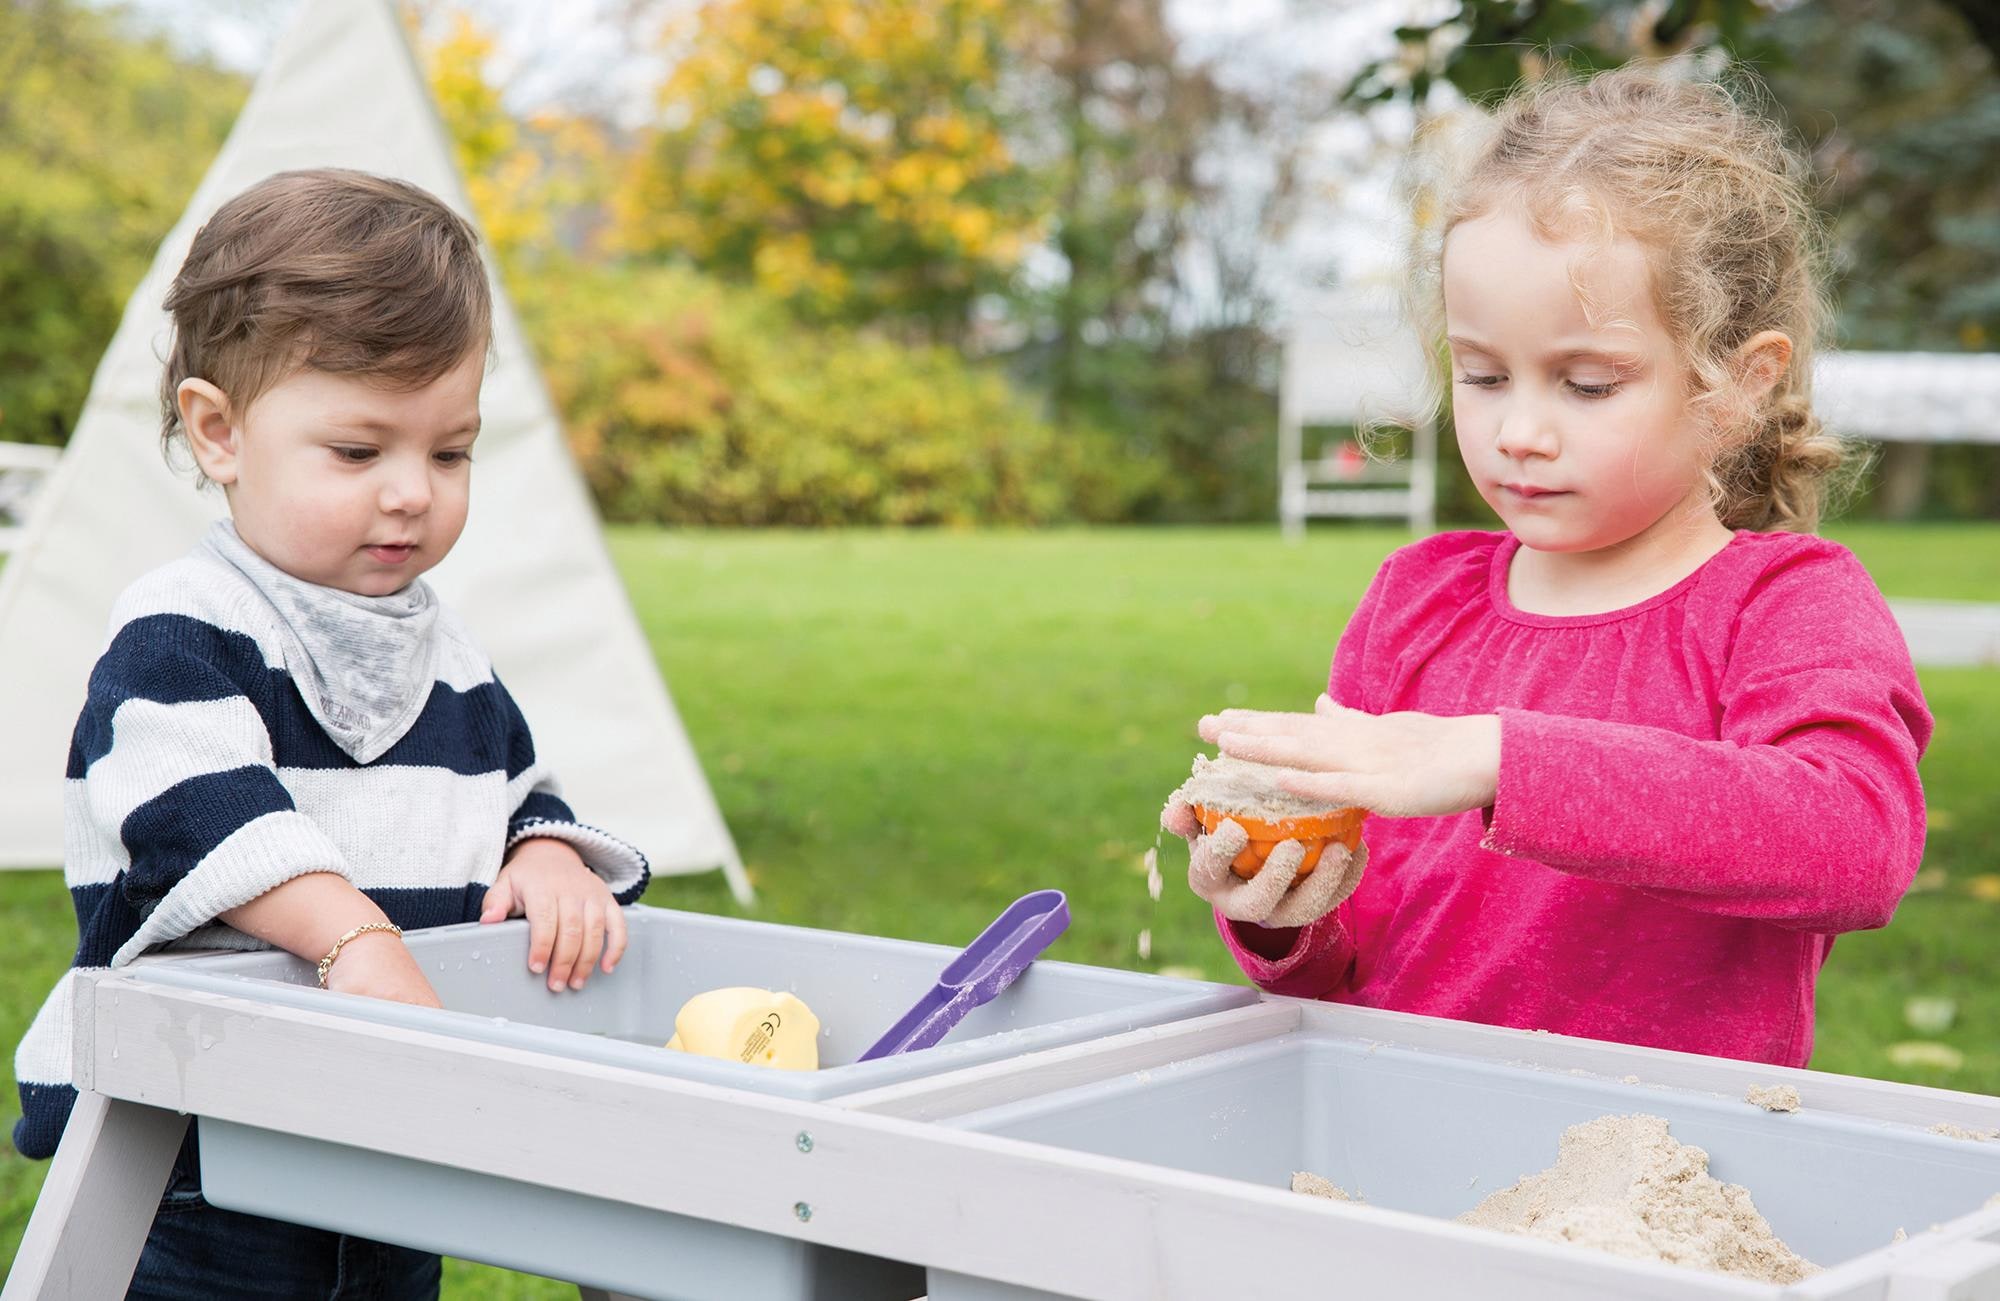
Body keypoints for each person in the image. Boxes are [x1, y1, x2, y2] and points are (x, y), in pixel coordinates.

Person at [1163, 63, 1931, 1070]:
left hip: (1652, 1180)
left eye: (1583, 382)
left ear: (1735, 387)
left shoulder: (1781, 605)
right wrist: (1282, 909)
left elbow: (1849, 844)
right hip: (1391, 1140)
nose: (1517, 429)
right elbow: (1352, 964)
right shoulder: (1414, 599)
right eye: (1482, 375)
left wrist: (1496, 757)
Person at [12, 168, 650, 1299]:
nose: (412, 491)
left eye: (448, 452)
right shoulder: (186, 627)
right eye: (359, 453)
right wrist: (355, 938)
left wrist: (544, 851)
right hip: (193, 1146)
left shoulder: (445, 649)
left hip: (388, 1132)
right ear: (220, 432)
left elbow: (513, 786)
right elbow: (201, 817)